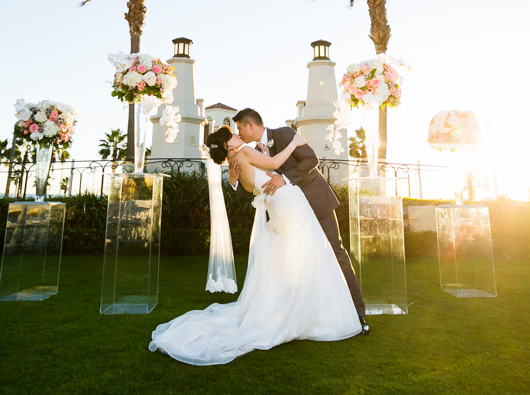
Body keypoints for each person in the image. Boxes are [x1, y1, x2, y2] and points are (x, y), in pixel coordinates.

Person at [148, 126, 361, 365]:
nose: (239, 135)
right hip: (289, 204)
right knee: (308, 255)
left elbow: (252, 190)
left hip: (276, 208)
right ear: (228, 145)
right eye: (234, 134)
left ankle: (291, 307)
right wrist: (294, 143)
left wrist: (236, 179)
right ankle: (314, 312)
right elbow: (274, 164)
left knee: (289, 257)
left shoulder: (234, 167)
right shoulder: (245, 153)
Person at [229, 108, 367, 332]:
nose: (239, 133)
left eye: (239, 128)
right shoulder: (251, 152)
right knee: (300, 261)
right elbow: (251, 188)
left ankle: (357, 312)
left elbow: (312, 159)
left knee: (335, 251)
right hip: (290, 214)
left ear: (250, 125)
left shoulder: (283, 134)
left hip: (315, 202)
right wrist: (233, 180)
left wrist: (284, 178)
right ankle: (309, 312)